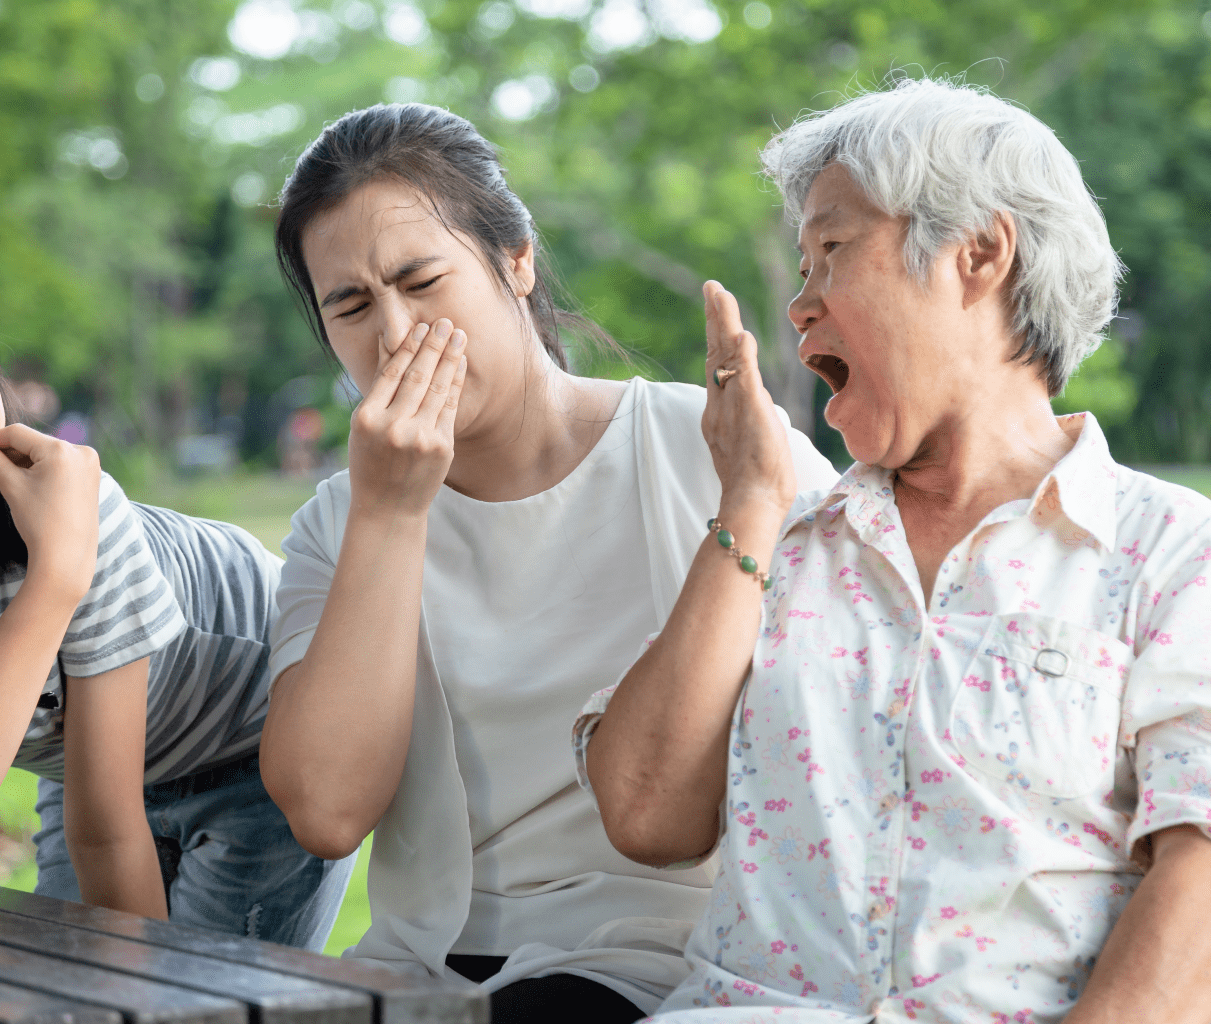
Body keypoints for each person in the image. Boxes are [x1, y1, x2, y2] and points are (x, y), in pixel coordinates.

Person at [579, 78, 1211, 1023]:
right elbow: (648, 815)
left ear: (978, 255)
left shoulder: (1172, 554)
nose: (800, 306)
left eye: (831, 250)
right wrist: (748, 500)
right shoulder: (781, 549)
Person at [257, 103, 839, 1022]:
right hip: (423, 968)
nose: (398, 335)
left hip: (669, 963)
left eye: (422, 280)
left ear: (516, 261)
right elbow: (326, 812)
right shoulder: (342, 520)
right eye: (353, 305)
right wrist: (392, 510)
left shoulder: (715, 451)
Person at [0, 204, 354, 949]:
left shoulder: (78, 522)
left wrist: (60, 567)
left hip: (261, 737)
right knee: (74, 976)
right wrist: (55, 586)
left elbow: (110, 838)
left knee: (210, 997)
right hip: (91, 749)